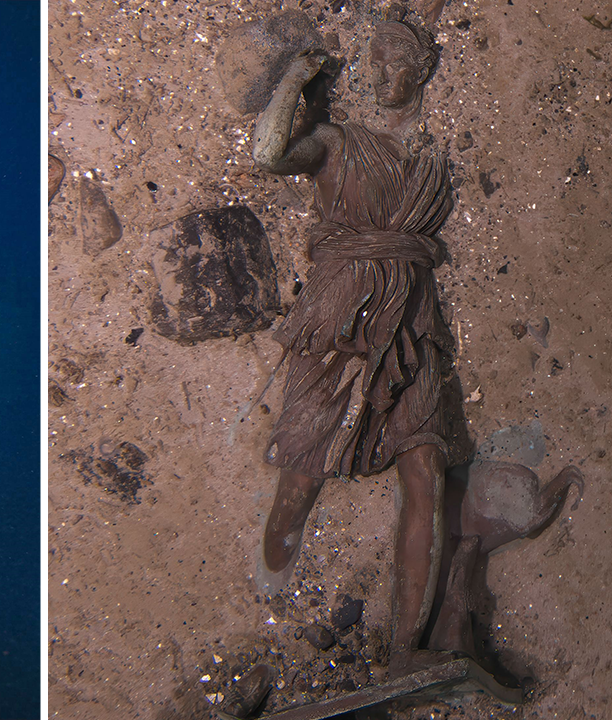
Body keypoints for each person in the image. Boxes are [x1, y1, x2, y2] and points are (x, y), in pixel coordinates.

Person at [250, 18, 461, 677]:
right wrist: (292, 81)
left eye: (393, 59)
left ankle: (406, 648)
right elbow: (268, 151)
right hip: (340, 313)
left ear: (422, 68)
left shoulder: (431, 159)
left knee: (426, 470)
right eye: (370, 60)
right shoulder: (340, 144)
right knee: (301, 471)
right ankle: (269, 606)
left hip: (412, 319)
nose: (377, 70)